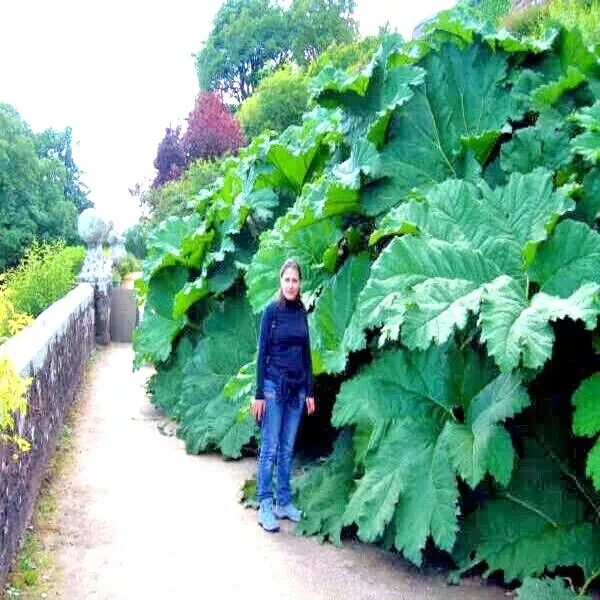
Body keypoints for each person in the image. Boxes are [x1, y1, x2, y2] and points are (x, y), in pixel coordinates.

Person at [251, 258, 315, 532]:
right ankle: (265, 503)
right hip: (273, 387)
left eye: (295, 280)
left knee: (288, 449)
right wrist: (258, 394)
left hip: (297, 389)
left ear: (300, 284)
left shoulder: (301, 311)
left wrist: (310, 391)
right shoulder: (271, 312)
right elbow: (262, 353)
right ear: (281, 281)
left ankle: (283, 501)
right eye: (287, 279)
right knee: (270, 449)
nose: (291, 285)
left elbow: (307, 353)